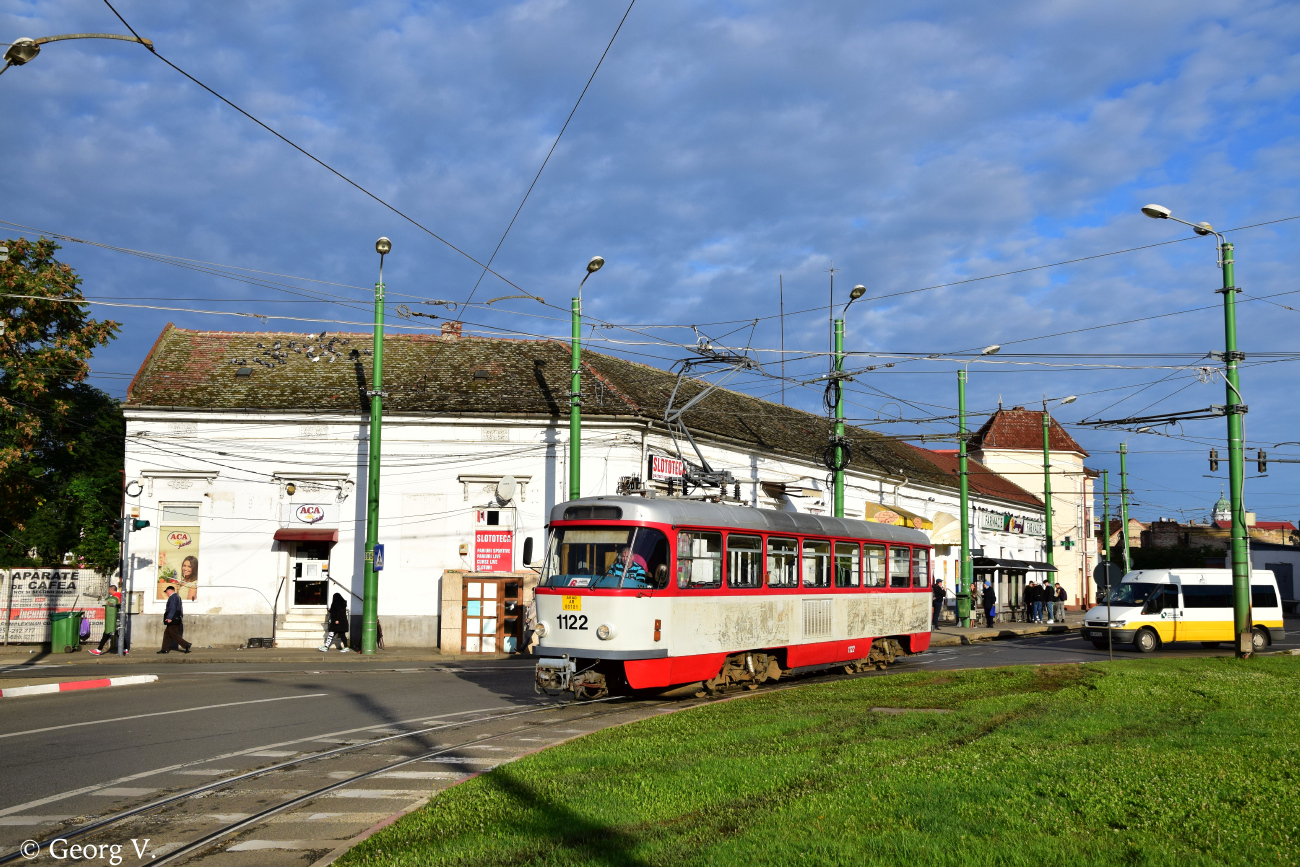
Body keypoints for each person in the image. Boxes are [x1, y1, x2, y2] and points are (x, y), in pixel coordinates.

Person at [159, 585, 191, 654]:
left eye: (167, 592)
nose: (167, 594)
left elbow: (172, 608)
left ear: (169, 591)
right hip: (175, 618)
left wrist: (169, 618)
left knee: (173, 634)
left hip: (173, 619)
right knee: (167, 634)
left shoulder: (173, 597)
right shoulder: (177, 597)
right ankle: (164, 649)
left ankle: (186, 645)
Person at [90, 585, 120, 656]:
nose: (109, 591)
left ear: (112, 590)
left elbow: (117, 605)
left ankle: (98, 650)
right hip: (118, 617)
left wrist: (111, 605)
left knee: (108, 633)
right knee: (118, 633)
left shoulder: (114, 598)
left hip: (113, 618)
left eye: (109, 590)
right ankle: (125, 650)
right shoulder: (120, 595)